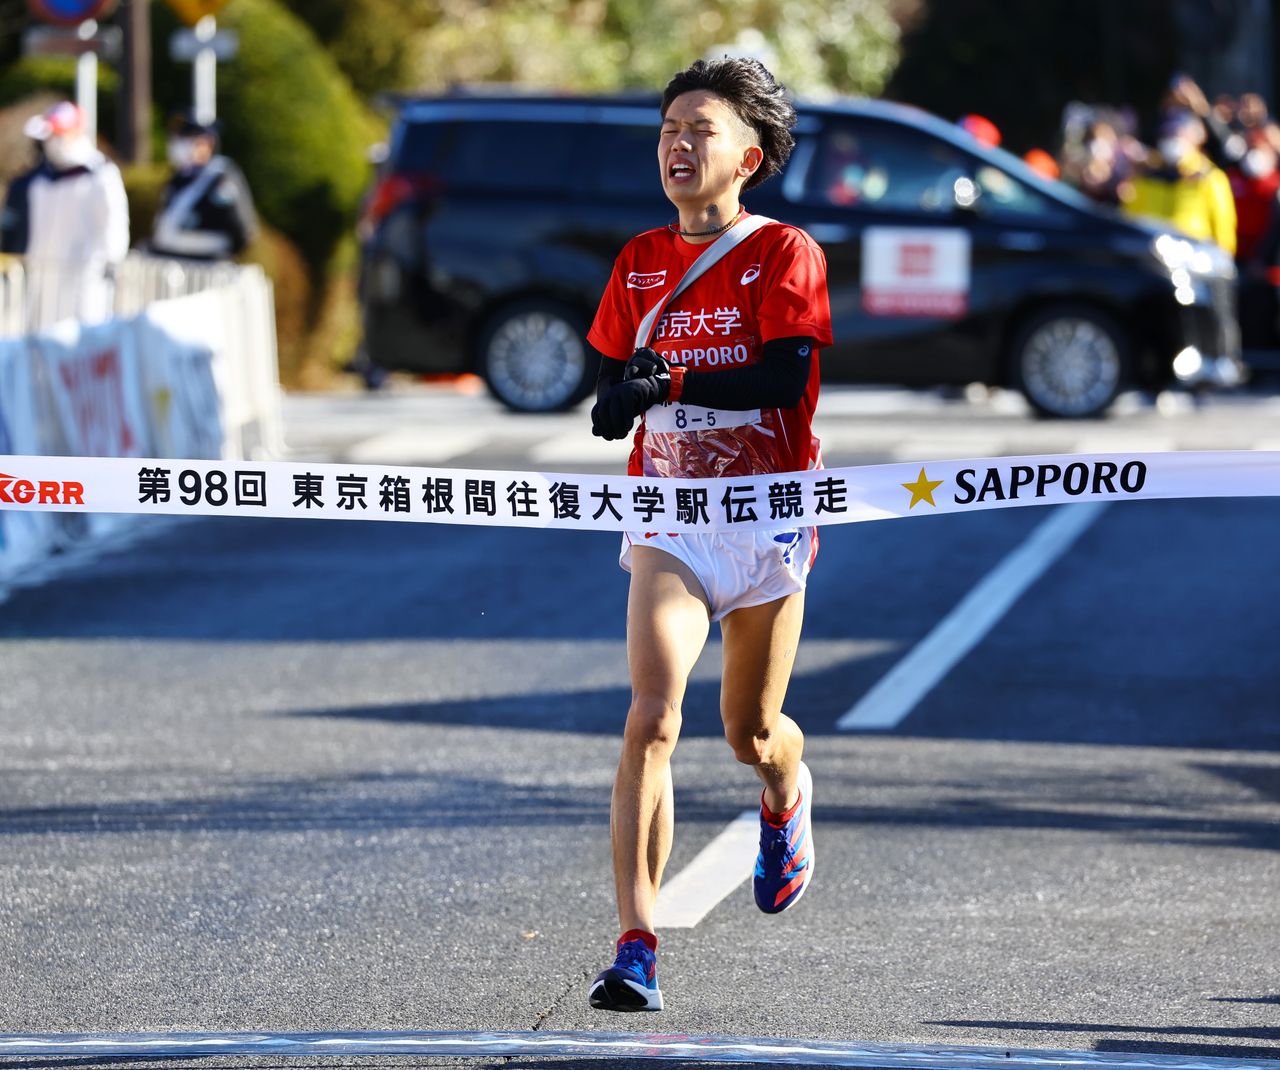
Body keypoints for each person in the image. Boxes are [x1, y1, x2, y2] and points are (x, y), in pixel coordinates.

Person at [583, 56, 833, 1012]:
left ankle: (785, 795)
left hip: (768, 520)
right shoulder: (639, 258)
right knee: (651, 717)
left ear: (750, 157)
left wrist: (674, 384)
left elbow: (781, 381)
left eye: (701, 130)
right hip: (671, 520)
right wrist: (617, 404)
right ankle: (635, 944)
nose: (678, 145)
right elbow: (609, 378)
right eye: (668, 131)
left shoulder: (784, 255)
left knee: (751, 731)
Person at [21, 101, 129, 326]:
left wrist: (107, 266)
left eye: (57, 135)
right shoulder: (41, 181)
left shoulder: (101, 175)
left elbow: (114, 232)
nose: (51, 143)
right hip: (44, 281)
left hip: (85, 281)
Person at [1124, 110, 1237, 254]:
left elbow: (1223, 229)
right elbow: (1130, 218)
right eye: (1167, 133)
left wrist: (1223, 260)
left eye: (1177, 132)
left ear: (1196, 136)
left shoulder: (1210, 177)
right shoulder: (1147, 176)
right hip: (1151, 257)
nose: (1171, 138)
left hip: (1194, 259)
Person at [150, 112, 258, 261]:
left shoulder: (220, 178)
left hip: (209, 268)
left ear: (208, 143)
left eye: (188, 138)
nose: (180, 144)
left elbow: (242, 233)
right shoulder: (178, 179)